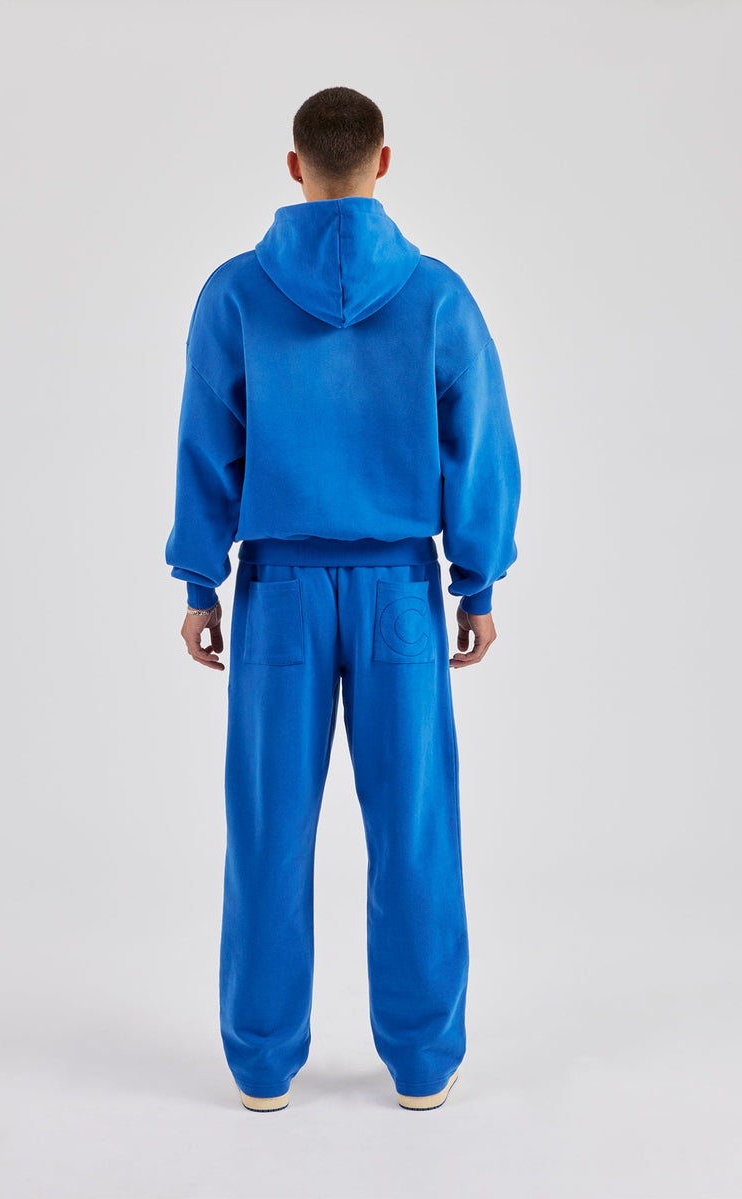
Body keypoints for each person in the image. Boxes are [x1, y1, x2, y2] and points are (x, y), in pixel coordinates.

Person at [164, 86, 521, 1113]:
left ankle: (261, 1065)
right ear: (383, 162)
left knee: (267, 826)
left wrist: (198, 578)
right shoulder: (436, 296)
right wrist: (476, 579)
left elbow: (205, 444)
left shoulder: (234, 295)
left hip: (276, 593)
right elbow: (479, 444)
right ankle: (422, 1063)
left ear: (294, 166)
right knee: (413, 827)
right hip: (400, 591)